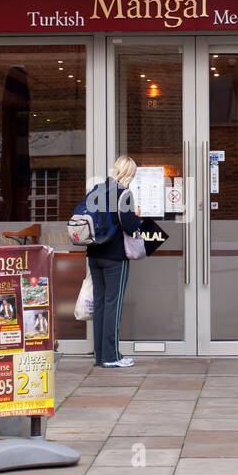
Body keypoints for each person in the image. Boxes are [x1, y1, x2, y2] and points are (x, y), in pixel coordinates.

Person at [86, 155, 143, 368]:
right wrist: (137, 216)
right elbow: (130, 226)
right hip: (114, 258)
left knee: (100, 304)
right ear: (129, 174)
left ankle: (100, 356)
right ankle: (112, 357)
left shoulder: (96, 190)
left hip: (94, 255)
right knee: (113, 305)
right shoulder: (124, 193)